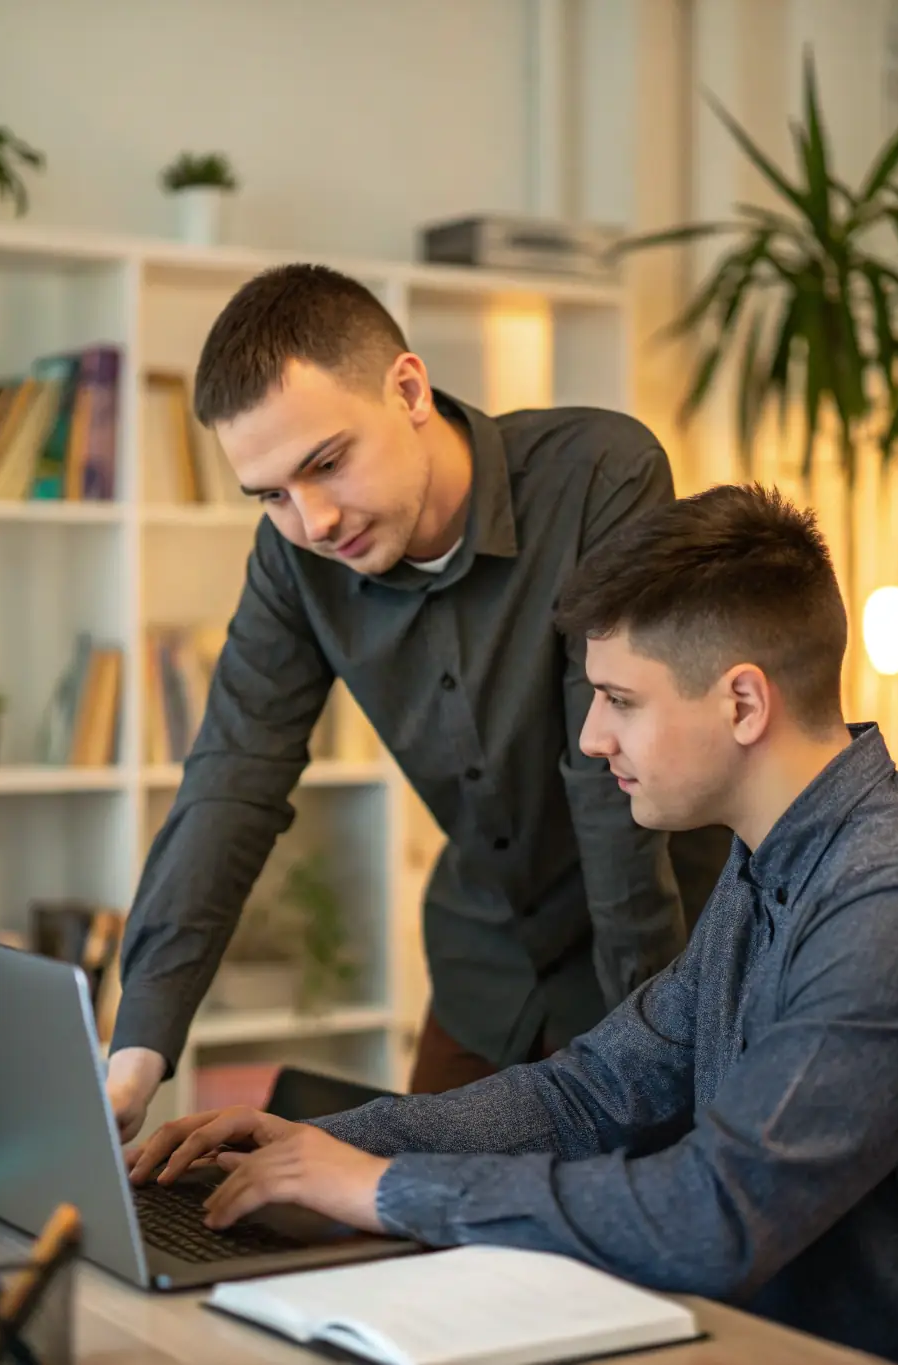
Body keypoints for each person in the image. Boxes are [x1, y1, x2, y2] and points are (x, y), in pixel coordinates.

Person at [129, 484, 898, 1365]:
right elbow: (591, 1090)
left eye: (619, 699)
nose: (589, 736)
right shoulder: (769, 860)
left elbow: (716, 1213)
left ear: (742, 703)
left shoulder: (889, 899)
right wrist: (326, 1144)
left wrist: (388, 1189)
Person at [107, 263, 730, 1138]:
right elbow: (231, 782)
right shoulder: (293, 559)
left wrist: (653, 1050)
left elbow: (610, 779)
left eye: (326, 462)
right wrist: (136, 1055)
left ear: (407, 389)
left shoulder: (598, 476)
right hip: (488, 966)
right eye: (273, 494)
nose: (313, 520)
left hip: (657, 947)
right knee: (399, 1239)